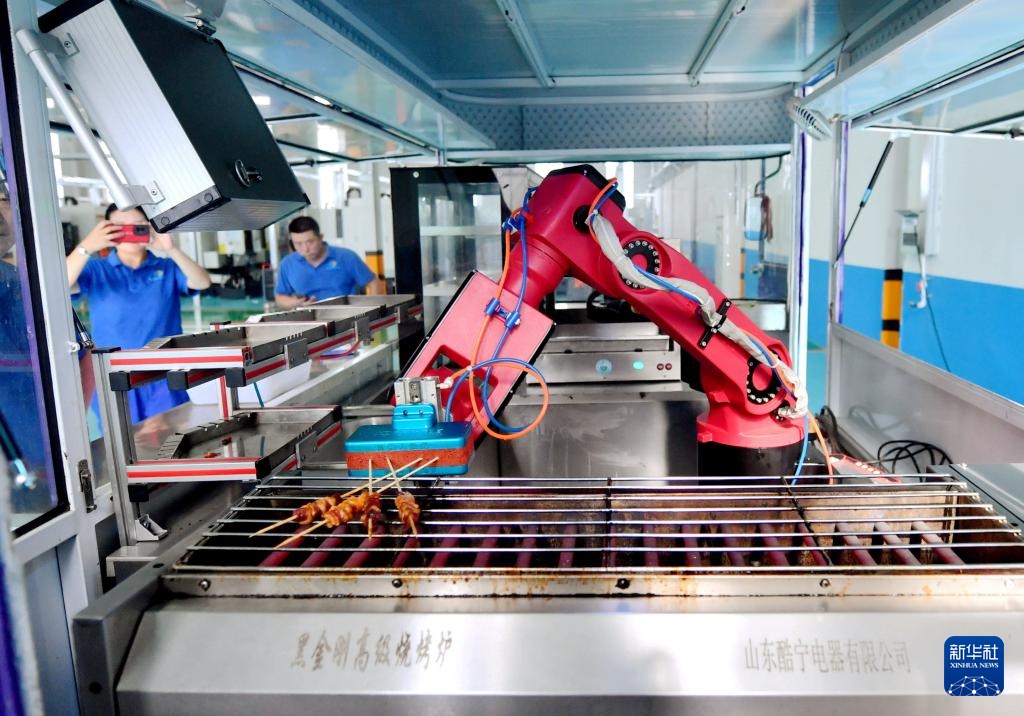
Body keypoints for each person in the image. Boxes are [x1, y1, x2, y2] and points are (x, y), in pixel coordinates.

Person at [66, 203, 212, 423]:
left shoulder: (167, 267)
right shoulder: (96, 270)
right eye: (120, 226)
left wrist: (171, 248)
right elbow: (60, 284)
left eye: (137, 225)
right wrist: (86, 247)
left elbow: (202, 282)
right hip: (114, 376)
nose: (129, 231)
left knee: (172, 436)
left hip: (164, 375)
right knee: (120, 439)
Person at [274, 216, 382, 307]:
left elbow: (374, 283)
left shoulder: (346, 257)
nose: (305, 249)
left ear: (321, 237)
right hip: (309, 319)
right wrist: (296, 303)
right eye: (298, 244)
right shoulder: (287, 264)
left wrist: (371, 310)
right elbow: (280, 297)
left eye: (310, 242)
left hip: (346, 318)